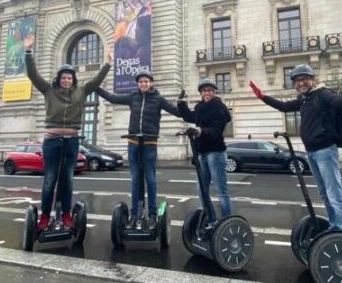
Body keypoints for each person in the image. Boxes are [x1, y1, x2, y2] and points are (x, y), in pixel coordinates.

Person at [249, 64, 342, 232]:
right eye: (296, 80)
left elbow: (335, 101)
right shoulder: (304, 99)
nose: (300, 83)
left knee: (334, 192)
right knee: (325, 193)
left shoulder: (322, 94)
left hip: (325, 150)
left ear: (313, 79)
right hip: (311, 152)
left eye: (304, 79)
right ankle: (335, 225)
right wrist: (263, 97)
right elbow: (284, 107)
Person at [25, 38, 111, 231]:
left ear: (73, 79)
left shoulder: (81, 91)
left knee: (68, 179)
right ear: (59, 78)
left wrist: (107, 63)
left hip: (71, 141)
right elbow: (32, 75)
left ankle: (66, 215)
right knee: (50, 180)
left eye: (69, 77)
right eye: (63, 77)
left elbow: (97, 80)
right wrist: (29, 52)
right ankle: (45, 216)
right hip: (52, 141)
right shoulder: (49, 90)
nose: (66, 80)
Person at [96, 71, 181, 229]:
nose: (143, 84)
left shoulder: (158, 98)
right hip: (133, 142)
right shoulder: (132, 96)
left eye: (146, 81)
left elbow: (175, 111)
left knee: (151, 179)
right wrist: (96, 88)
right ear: (138, 83)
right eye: (141, 81)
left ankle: (152, 215)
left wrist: (183, 105)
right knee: (135, 179)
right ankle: (135, 214)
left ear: (151, 83)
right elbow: (112, 98)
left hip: (149, 143)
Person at [177, 78, 233, 224]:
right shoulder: (200, 107)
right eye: (203, 91)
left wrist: (199, 130)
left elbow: (215, 130)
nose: (206, 93)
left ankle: (228, 223)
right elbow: (190, 116)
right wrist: (181, 103)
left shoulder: (218, 107)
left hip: (215, 152)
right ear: (201, 93)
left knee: (221, 192)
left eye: (209, 90)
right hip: (201, 152)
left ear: (214, 92)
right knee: (202, 191)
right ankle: (211, 220)